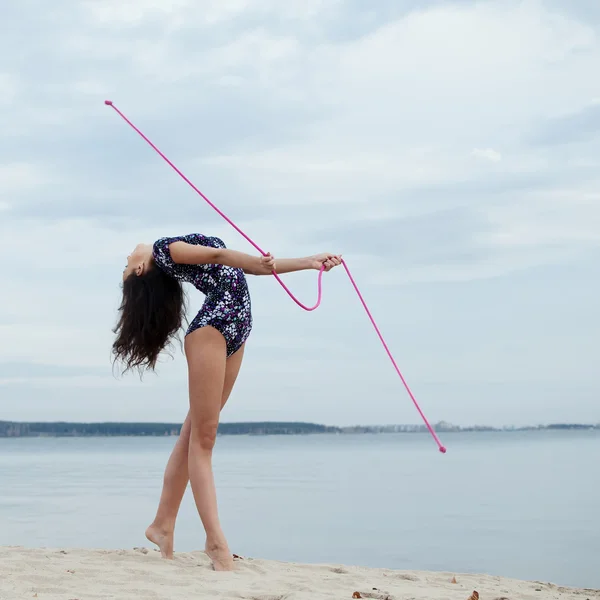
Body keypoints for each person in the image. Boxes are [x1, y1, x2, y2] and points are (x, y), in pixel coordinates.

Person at [112, 233, 342, 571]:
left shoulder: (172, 257)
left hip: (235, 331)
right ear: (142, 269)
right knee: (204, 439)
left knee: (193, 434)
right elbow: (221, 257)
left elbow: (249, 268)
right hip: (213, 330)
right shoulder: (164, 249)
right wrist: (253, 260)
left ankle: (162, 524)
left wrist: (309, 262)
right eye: (126, 264)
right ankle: (215, 542)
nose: (128, 254)